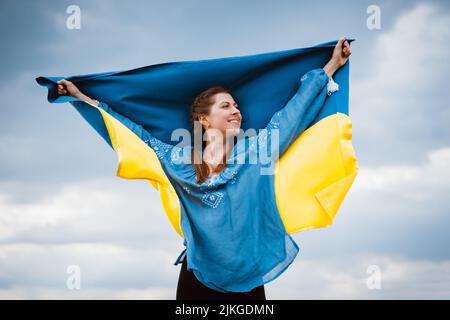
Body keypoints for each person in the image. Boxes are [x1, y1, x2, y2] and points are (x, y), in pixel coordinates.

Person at [56, 37, 351, 300]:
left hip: (248, 278)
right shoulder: (179, 161)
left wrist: (331, 66)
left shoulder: (257, 152)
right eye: (225, 106)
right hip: (197, 275)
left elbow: (292, 114)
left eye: (236, 106)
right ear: (205, 120)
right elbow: (130, 134)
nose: (236, 111)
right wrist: (81, 99)